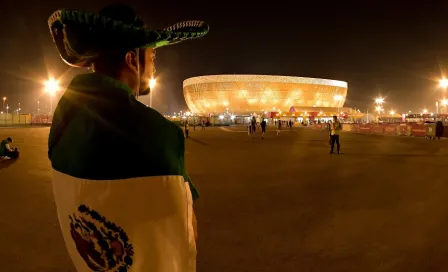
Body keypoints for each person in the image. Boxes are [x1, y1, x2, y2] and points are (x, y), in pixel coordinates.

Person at [47, 4, 208, 271]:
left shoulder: (62, 125)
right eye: (153, 57)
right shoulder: (158, 133)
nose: (154, 68)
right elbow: (187, 231)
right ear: (132, 60)